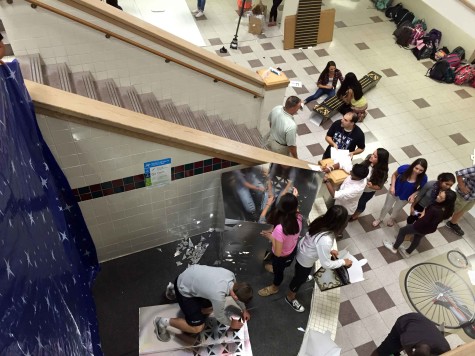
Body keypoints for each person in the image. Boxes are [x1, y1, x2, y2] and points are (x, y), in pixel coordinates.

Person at [153, 265, 253, 342]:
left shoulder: (230, 275)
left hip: (187, 274)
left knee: (210, 307)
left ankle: (173, 289)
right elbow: (220, 317)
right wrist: (232, 323)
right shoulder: (218, 296)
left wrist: (244, 309)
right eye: (238, 299)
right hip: (183, 289)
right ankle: (161, 322)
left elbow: (236, 293)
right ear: (235, 296)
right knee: (197, 328)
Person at [285, 205, 352, 312]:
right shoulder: (326, 239)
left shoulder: (321, 220)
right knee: (298, 279)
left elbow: (316, 243)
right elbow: (326, 264)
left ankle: (302, 276)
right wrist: (343, 262)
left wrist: (329, 251)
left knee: (301, 272)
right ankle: (290, 297)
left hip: (303, 250)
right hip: (305, 260)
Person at [258, 190, 303, 297]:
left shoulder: (279, 229)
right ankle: (275, 268)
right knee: (281, 266)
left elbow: (278, 253)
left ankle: (275, 287)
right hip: (291, 250)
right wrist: (293, 197)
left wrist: (270, 237)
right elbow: (295, 208)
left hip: (281, 256)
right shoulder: (298, 217)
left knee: (279, 272)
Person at [384, 189, 455, 255]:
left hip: (420, 226)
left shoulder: (435, 209)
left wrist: (417, 215)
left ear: (446, 201)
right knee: (417, 237)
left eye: (441, 197)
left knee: (402, 231)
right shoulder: (447, 209)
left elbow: (424, 219)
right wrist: (422, 213)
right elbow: (430, 217)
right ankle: (408, 252)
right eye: (439, 194)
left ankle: (394, 248)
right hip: (430, 228)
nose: (437, 196)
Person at [373, 158, 428, 227]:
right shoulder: (404, 168)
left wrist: (413, 195)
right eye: (416, 168)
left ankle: (392, 219)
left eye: (421, 170)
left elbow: (421, 188)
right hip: (394, 191)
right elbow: (394, 175)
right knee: (386, 207)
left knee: (397, 209)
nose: (417, 171)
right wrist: (392, 186)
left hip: (405, 196)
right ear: (413, 166)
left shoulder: (424, 178)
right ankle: (380, 219)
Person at [371, 312, 450, 356]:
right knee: (385, 350)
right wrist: (409, 353)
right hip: (406, 322)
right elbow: (406, 346)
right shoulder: (408, 340)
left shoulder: (446, 350)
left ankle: (395, 352)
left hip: (421, 324)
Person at [351, 148, 389, 220]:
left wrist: (371, 186)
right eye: (373, 154)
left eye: (375, 156)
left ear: (380, 161)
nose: (371, 156)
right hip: (358, 186)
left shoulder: (381, 172)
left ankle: (356, 214)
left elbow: (379, 187)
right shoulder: (369, 158)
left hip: (367, 192)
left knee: (361, 203)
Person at [446, 165, 475, 236]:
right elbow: (459, 173)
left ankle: (452, 223)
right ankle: (435, 217)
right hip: (463, 195)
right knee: (452, 209)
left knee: (463, 210)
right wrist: (462, 186)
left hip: (472, 198)